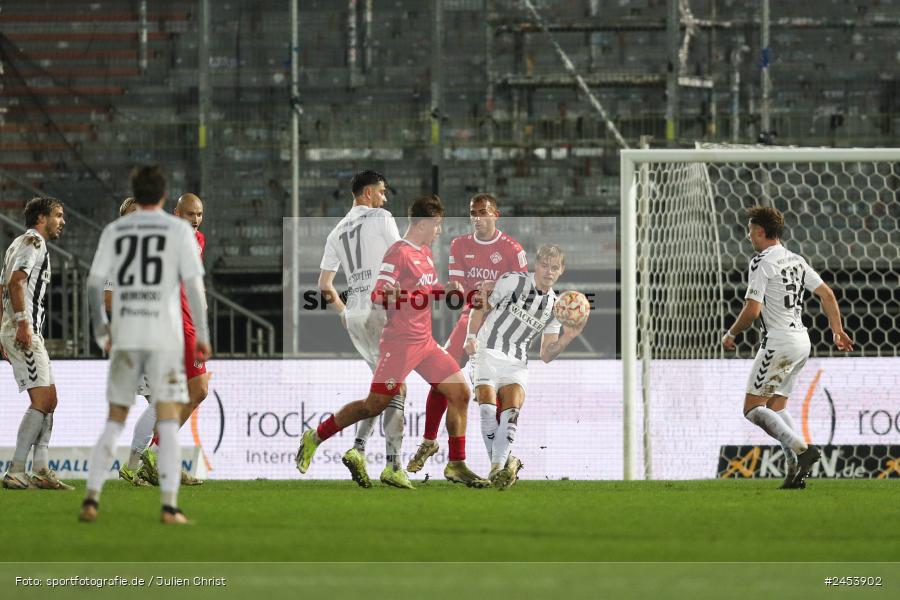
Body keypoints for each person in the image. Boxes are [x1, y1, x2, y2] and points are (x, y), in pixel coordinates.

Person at [296, 194, 487, 487]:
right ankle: (316, 435)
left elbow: (426, 291)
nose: (439, 231)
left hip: (424, 342)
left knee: (460, 392)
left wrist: (448, 291)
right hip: (399, 345)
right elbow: (380, 294)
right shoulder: (398, 252)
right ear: (425, 223)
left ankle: (456, 464)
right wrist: (420, 295)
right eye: (437, 226)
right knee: (372, 405)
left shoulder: (424, 254)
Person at [79, 165, 211, 524]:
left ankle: (91, 500)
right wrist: (202, 331)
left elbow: (94, 286)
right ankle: (169, 507)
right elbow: (194, 289)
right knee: (167, 414)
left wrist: (101, 330)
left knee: (115, 416)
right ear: (166, 199)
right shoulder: (177, 234)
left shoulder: (116, 233)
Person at [723, 206, 853, 489]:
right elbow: (827, 294)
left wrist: (731, 333)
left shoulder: (761, 261)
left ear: (759, 231)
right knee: (777, 406)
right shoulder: (796, 260)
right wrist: (837, 331)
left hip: (779, 342)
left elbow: (752, 311)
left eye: (749, 232)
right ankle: (795, 471)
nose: (748, 237)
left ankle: (803, 451)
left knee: (752, 408)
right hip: (801, 342)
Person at [407, 193, 528, 473]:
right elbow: (459, 289)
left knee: (496, 390)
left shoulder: (512, 249)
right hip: (469, 320)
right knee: (441, 377)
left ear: (496, 214)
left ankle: (500, 460)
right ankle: (428, 441)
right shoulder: (459, 245)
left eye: (483, 212)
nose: (477, 218)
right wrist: (461, 292)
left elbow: (523, 294)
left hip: (500, 328)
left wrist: (497, 292)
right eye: (473, 213)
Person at [465, 244, 586, 489]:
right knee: (488, 413)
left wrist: (568, 337)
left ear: (561, 270)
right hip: (486, 352)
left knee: (510, 418)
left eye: (554, 268)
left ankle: (498, 470)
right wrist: (470, 336)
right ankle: (501, 467)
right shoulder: (513, 282)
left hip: (516, 364)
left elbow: (546, 354)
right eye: (544, 266)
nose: (548, 272)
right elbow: (481, 305)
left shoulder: (556, 307)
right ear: (536, 265)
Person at [318, 170, 410, 488]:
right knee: (395, 388)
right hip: (381, 312)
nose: (385, 198)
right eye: (382, 192)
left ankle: (359, 450)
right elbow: (403, 258)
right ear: (368, 194)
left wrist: (344, 314)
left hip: (355, 317)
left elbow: (324, 285)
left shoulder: (336, 231)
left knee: (384, 388)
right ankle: (392, 465)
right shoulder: (381, 217)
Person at [130, 193, 210, 487]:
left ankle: (156, 457)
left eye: (199, 214)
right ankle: (154, 455)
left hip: (189, 325)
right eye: (191, 214)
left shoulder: (198, 240)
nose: (196, 219)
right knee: (192, 391)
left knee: (186, 393)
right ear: (177, 213)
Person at [0, 197, 71, 490]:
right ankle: (16, 469)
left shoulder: (18, 243)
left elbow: (2, 286)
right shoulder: (34, 244)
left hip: (21, 329)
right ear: (42, 218)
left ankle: (41, 469)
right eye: (58, 215)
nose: (62, 221)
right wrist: (22, 324)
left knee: (50, 399)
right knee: (42, 401)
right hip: (24, 330)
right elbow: (16, 283)